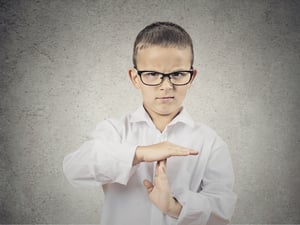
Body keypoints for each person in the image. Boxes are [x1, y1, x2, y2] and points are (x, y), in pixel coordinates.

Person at [63, 21, 237, 225]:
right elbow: (75, 168)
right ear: (135, 78)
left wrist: (175, 207)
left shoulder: (209, 141)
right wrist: (139, 153)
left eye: (178, 74)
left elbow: (223, 210)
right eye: (153, 74)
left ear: (192, 77)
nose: (166, 86)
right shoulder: (115, 131)